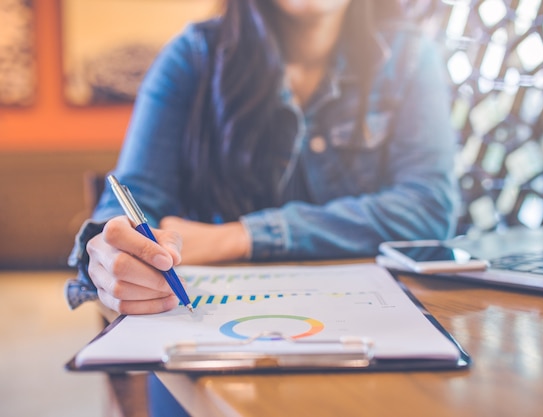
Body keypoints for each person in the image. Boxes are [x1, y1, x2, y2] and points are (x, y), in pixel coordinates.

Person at [66, 0, 459, 316]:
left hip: (374, 318)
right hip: (207, 325)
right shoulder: (192, 57)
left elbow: (428, 209)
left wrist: (240, 237)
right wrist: (112, 255)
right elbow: (133, 208)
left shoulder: (409, 57)